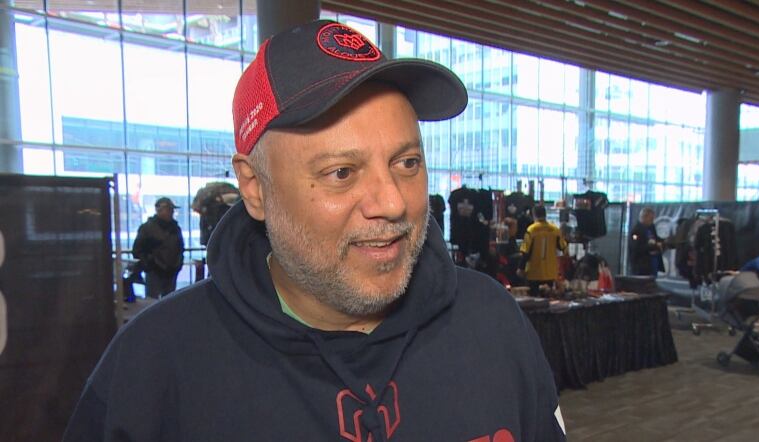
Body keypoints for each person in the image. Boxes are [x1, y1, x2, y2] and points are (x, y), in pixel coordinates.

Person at [65, 20, 566, 441]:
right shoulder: (156, 364)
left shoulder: (493, 323)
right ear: (255, 188)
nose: (392, 201)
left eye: (407, 162)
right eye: (342, 173)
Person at [131, 197, 184, 299]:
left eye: (172, 210)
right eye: (169, 210)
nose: (171, 212)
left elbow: (180, 248)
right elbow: (137, 250)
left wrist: (178, 265)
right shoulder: (147, 228)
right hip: (154, 272)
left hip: (171, 272)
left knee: (169, 302)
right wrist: (149, 263)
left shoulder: (175, 228)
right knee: (152, 302)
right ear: (159, 210)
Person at [518, 205, 568, 296]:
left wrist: (520, 268)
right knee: (548, 299)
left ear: (533, 215)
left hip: (533, 273)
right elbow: (563, 247)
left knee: (534, 301)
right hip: (550, 273)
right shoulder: (555, 230)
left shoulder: (531, 230)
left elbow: (525, 251)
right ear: (545, 214)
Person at [629, 207, 665, 277]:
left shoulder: (651, 228)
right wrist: (654, 246)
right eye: (651, 219)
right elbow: (636, 248)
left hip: (653, 263)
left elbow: (655, 239)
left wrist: (664, 242)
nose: (652, 221)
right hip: (641, 265)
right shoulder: (636, 231)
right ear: (644, 217)